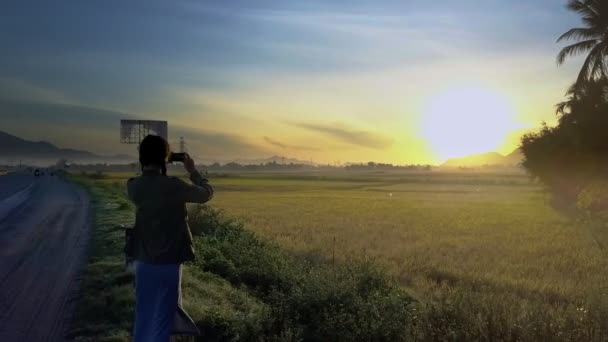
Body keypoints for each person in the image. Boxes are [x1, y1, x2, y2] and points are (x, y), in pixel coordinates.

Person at [127, 135, 214, 342]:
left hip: (143, 262)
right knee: (164, 320)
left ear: (141, 158)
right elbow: (206, 194)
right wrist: (192, 171)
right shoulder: (173, 186)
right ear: (165, 158)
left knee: (144, 317)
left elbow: (145, 181)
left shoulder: (133, 187)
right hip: (169, 262)